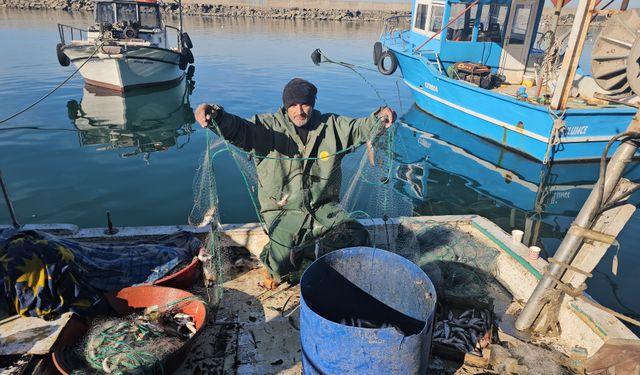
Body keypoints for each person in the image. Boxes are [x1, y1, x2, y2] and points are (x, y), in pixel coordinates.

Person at [195, 78, 395, 289]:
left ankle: (321, 260)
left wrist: (380, 116)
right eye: (292, 105)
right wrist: (214, 113)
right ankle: (273, 260)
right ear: (285, 106)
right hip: (283, 211)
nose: (299, 111)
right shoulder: (266, 128)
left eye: (305, 104)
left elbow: (362, 128)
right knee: (282, 258)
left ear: (313, 103)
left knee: (358, 236)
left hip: (323, 209)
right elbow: (238, 129)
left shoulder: (333, 126)